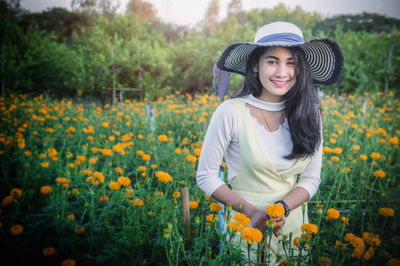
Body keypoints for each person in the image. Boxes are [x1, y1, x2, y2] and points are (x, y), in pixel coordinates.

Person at [196, 21, 344, 264]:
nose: (281, 72)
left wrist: (284, 207)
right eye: (272, 61)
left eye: (291, 63)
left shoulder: (311, 114)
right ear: (255, 65)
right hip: (246, 227)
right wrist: (250, 212)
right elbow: (206, 176)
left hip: (293, 230)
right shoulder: (230, 112)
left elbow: (311, 178)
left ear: (301, 68)